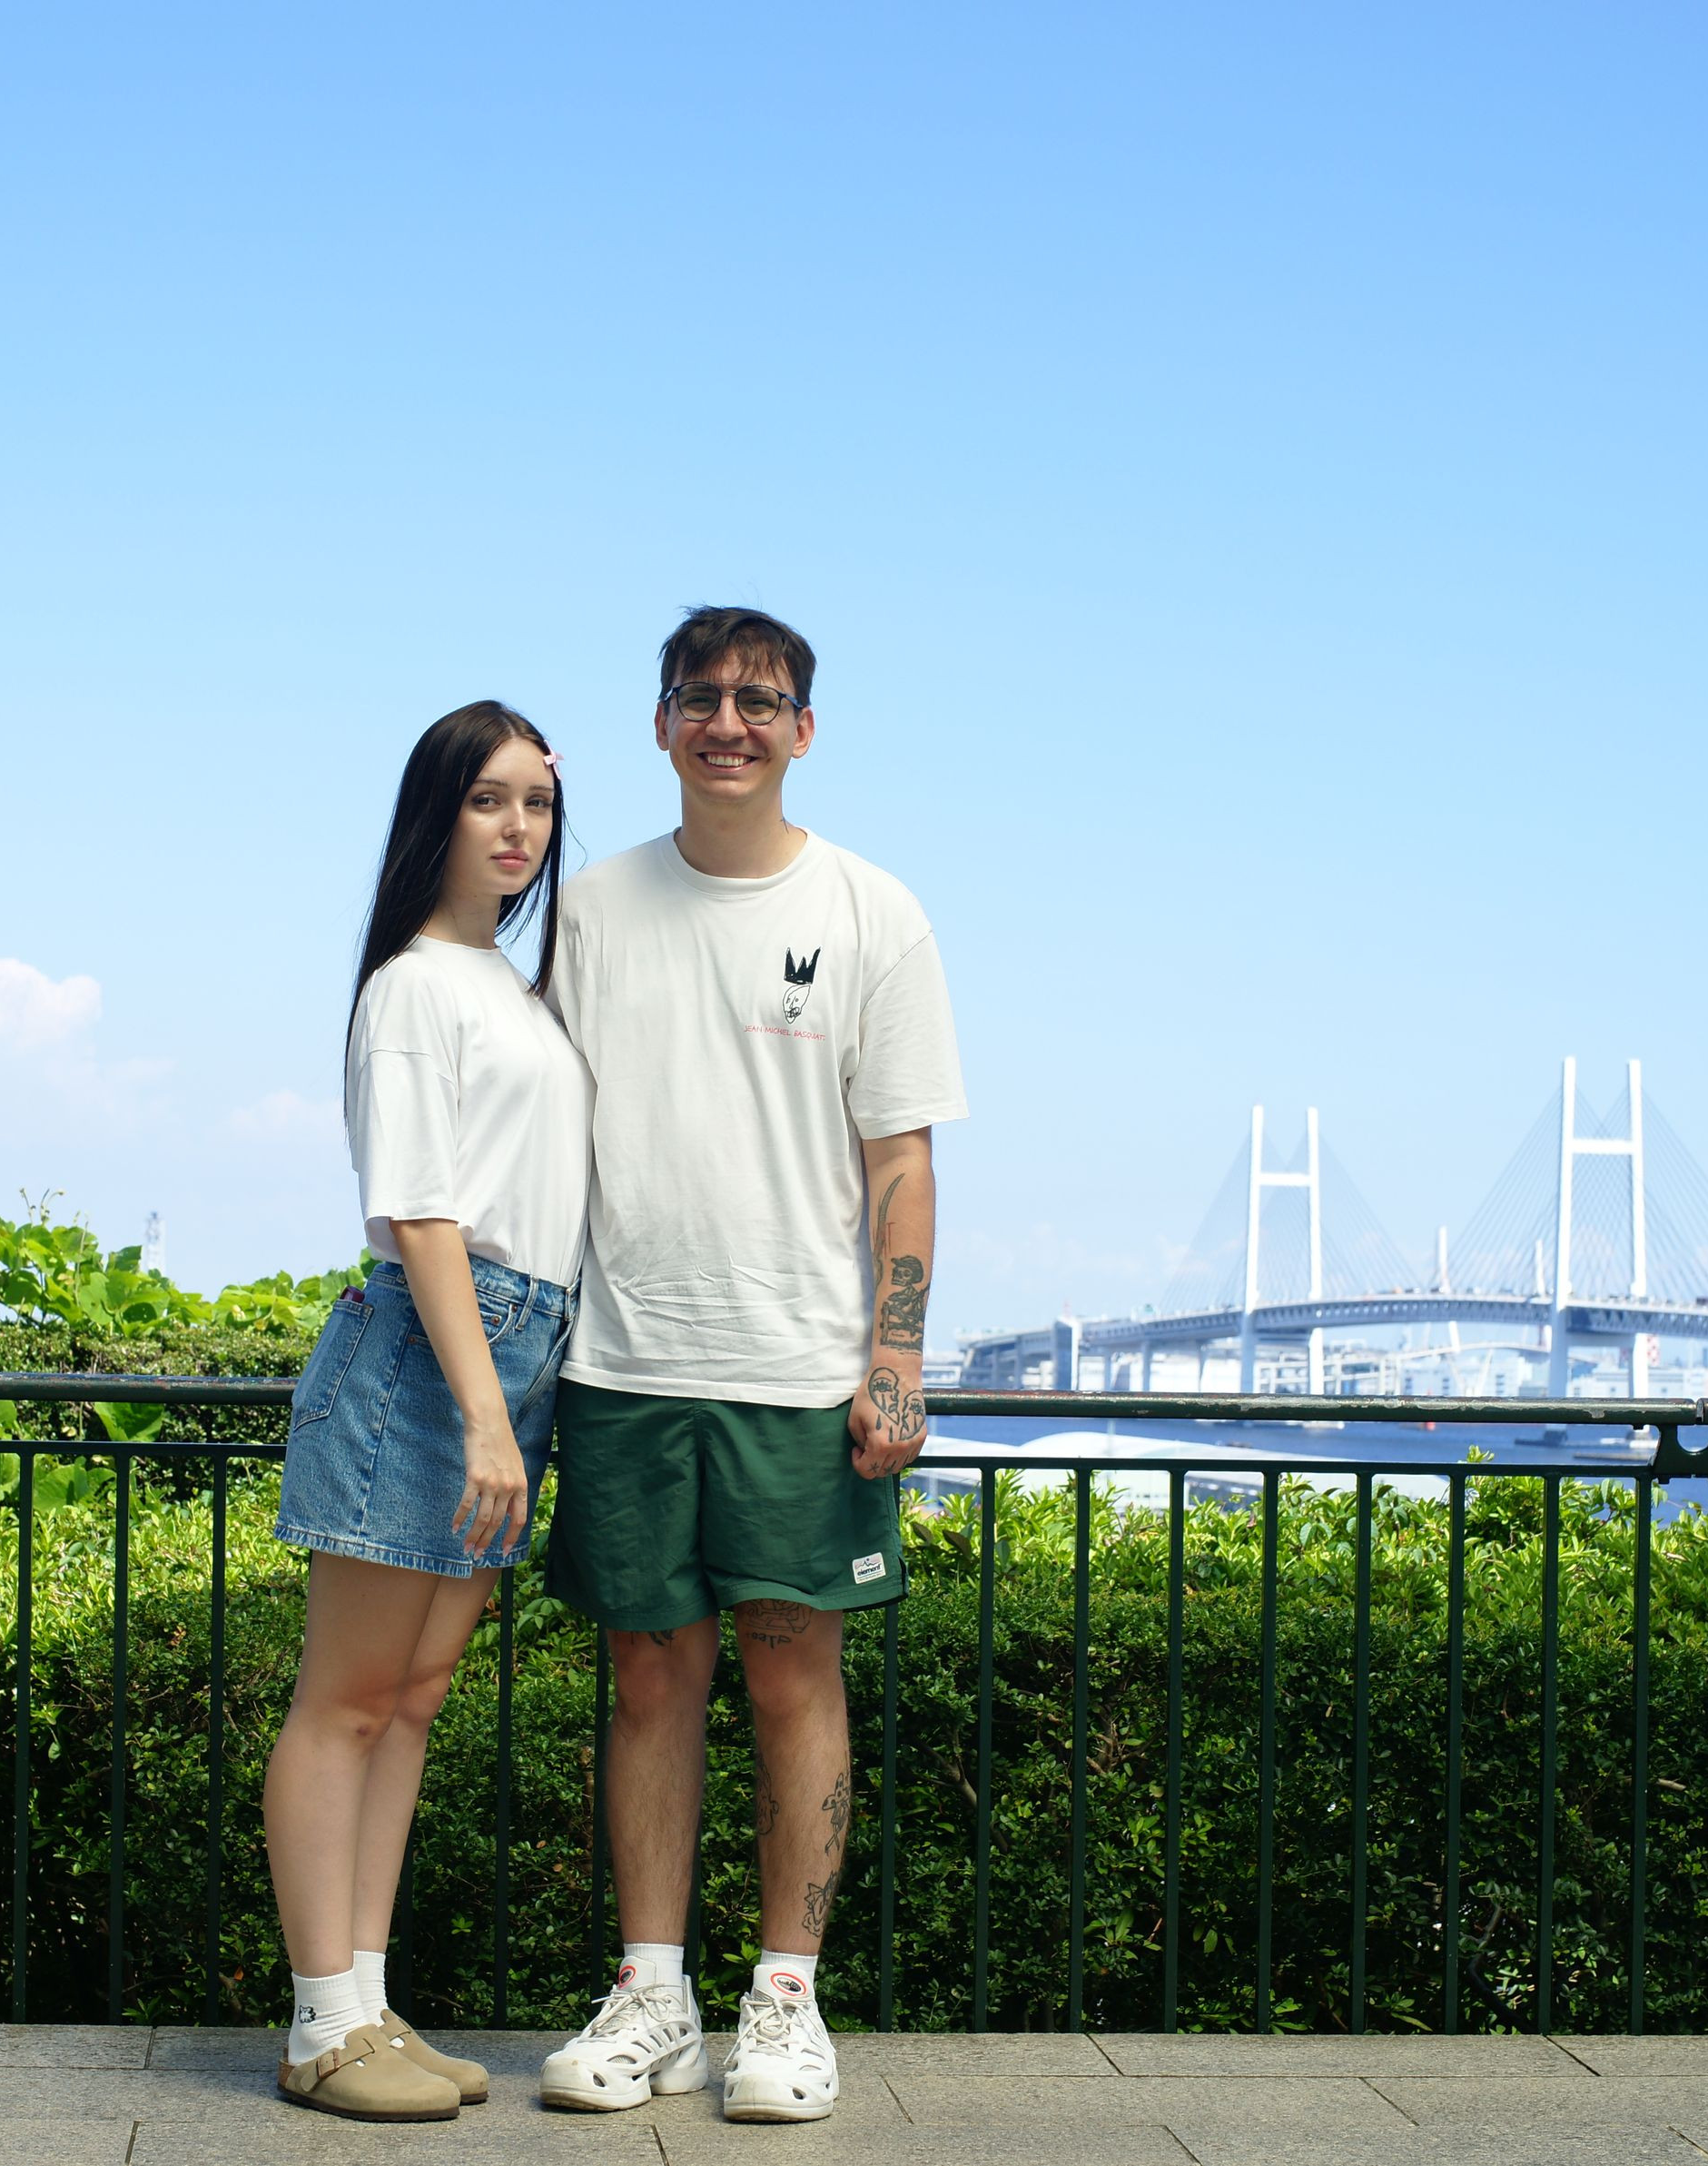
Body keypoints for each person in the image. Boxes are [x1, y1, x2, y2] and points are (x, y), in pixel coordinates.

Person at [536, 608, 965, 2122]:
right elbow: (536, 1127)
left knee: (794, 1673)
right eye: (702, 696)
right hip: (623, 1361)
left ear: (802, 729)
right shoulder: (590, 909)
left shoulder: (872, 911)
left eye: (760, 699)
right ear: (661, 722)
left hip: (798, 1369)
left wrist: (894, 1356)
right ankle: (651, 1995)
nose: (730, 721)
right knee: (648, 1678)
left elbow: (899, 1161)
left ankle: (784, 2002)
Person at [262, 700, 589, 2122]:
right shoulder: (411, 985)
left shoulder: (513, 987)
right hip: (433, 1355)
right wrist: (484, 1414)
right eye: (487, 798)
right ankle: (319, 2027)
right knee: (343, 1702)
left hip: (514, 1347)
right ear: (434, 814)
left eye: (537, 802)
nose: (518, 827)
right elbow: (419, 1207)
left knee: (411, 1699)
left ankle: (368, 2000)